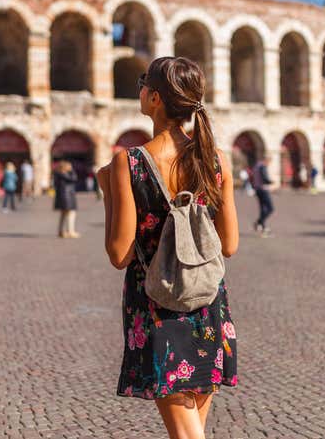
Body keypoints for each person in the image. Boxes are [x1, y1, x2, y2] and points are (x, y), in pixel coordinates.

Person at [97, 57, 238, 439]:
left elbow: (119, 254)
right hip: (207, 299)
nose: (139, 89)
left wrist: (108, 190)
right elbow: (230, 244)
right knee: (192, 429)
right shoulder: (215, 160)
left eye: (143, 83)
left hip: (157, 303)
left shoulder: (130, 162)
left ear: (155, 98)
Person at [53, 160, 79, 238]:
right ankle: (70, 231)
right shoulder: (63, 174)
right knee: (71, 213)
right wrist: (72, 171)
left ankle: (61, 231)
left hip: (63, 196)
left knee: (63, 214)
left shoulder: (58, 174)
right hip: (67, 197)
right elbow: (74, 178)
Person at [251, 155, 274, 235]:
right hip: (263, 189)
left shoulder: (256, 166)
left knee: (262, 208)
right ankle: (259, 222)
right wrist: (272, 182)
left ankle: (263, 227)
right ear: (267, 160)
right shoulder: (262, 167)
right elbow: (265, 179)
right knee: (270, 208)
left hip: (257, 189)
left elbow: (252, 177)